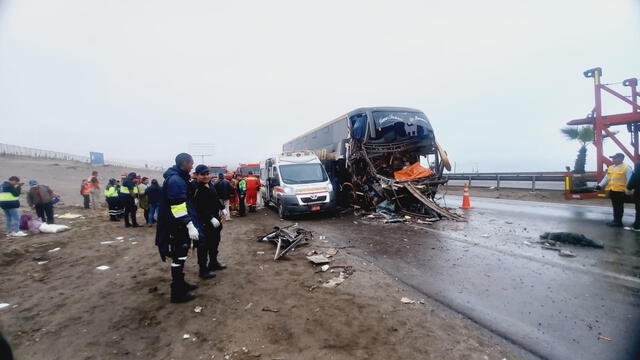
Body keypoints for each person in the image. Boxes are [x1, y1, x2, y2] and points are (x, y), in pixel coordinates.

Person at [156, 153, 203, 303]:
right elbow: (177, 207)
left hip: (178, 224)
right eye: (191, 163)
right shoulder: (176, 180)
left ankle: (181, 283)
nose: (192, 166)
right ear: (184, 163)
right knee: (178, 255)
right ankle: (176, 292)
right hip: (176, 225)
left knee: (181, 254)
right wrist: (189, 225)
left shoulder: (179, 177)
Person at [192, 165, 226, 278]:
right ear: (196, 175)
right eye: (203, 174)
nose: (206, 176)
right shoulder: (196, 188)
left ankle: (213, 263)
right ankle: (203, 269)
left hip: (215, 220)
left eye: (207, 174)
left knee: (215, 242)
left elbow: (215, 198)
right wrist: (210, 218)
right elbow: (198, 207)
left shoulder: (210, 184)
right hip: (204, 222)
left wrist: (222, 208)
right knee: (203, 246)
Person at [595, 152, 633, 227]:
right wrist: (599, 185)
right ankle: (615, 220)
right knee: (615, 206)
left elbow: (630, 180)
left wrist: (629, 190)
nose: (613, 159)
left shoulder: (626, 168)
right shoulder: (611, 167)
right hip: (612, 190)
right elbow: (606, 178)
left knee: (619, 207)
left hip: (620, 191)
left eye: (615, 158)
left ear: (621, 158)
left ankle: (618, 222)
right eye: (613, 158)